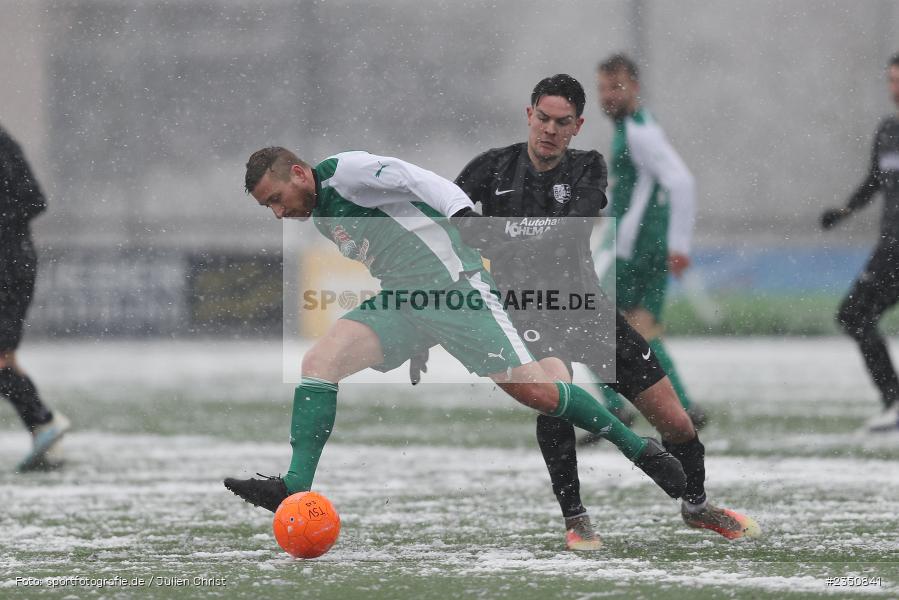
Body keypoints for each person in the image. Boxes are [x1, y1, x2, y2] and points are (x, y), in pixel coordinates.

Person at [224, 147, 687, 520]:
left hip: (455, 290)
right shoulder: (321, 213)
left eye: (276, 199)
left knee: (540, 392)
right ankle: (294, 488)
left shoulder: (347, 172)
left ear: (300, 174)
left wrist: (463, 214)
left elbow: (420, 180)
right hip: (405, 303)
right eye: (269, 207)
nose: (278, 213)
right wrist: (417, 339)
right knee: (318, 364)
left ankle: (641, 451)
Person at [454, 74, 759, 548]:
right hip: (528, 313)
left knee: (676, 422)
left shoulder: (587, 166)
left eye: (562, 122)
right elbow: (448, 220)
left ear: (578, 126)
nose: (550, 130)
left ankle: (697, 506)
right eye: (543, 118)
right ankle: (576, 520)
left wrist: (498, 234)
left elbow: (573, 227)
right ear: (528, 114)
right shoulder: (489, 169)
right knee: (555, 397)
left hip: (587, 308)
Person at [585, 53, 707, 432]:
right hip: (641, 245)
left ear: (634, 87)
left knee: (581, 318)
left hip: (632, 249)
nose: (608, 95)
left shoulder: (640, 131)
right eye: (603, 88)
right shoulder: (635, 125)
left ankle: (613, 411)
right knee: (641, 329)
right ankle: (683, 407)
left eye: (616, 87)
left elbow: (682, 182)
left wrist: (680, 245)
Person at [821, 53, 899, 432]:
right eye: (891, 81)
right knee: (854, 315)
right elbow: (873, 180)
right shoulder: (887, 130)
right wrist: (844, 210)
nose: (894, 89)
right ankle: (893, 400)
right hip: (891, 248)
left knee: (854, 315)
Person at [0, 123, 70, 472]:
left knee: (1, 359)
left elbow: (34, 200)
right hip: (11, 260)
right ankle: (44, 427)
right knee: (4, 359)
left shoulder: (2, 144)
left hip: (8, 265)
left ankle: (44, 423)